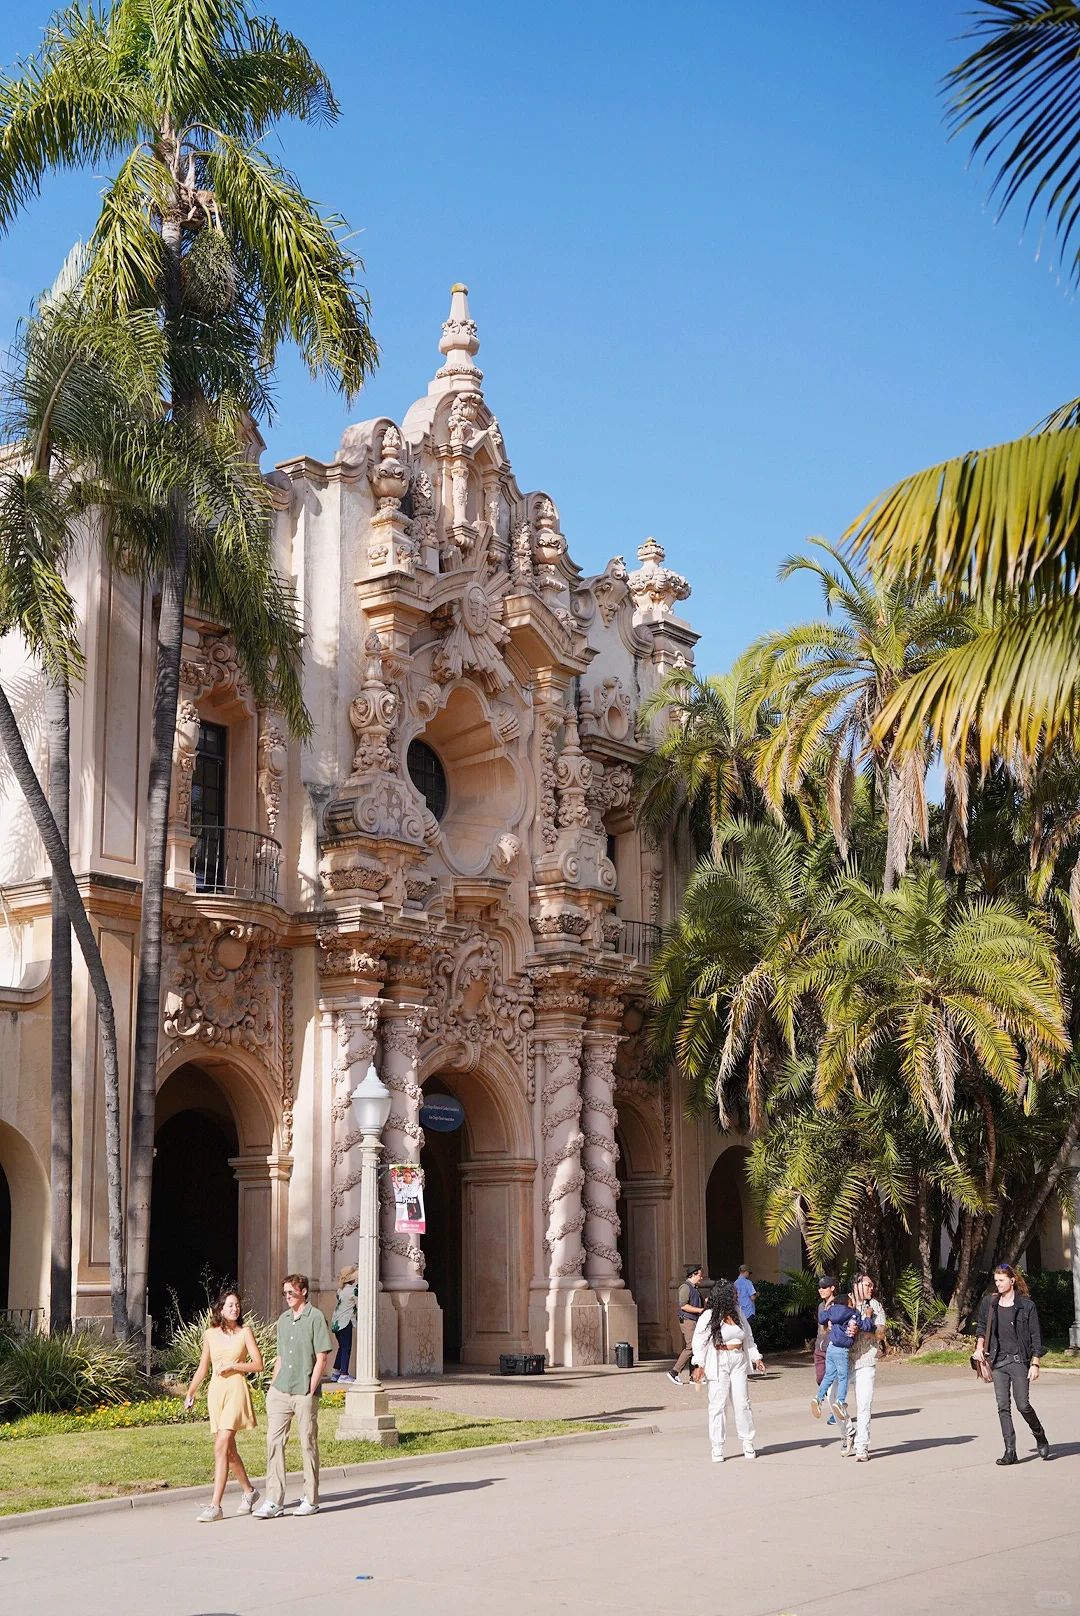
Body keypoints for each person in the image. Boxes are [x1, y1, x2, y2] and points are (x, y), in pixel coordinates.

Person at [253, 1273, 335, 1518]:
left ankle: (311, 1499)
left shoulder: (315, 1317)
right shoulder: (284, 1320)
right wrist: (272, 1386)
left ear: (303, 1291)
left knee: (307, 1443)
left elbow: (322, 1358)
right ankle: (273, 1500)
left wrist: (310, 1388)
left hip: (303, 1390)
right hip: (281, 1389)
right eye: (285, 1293)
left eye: (291, 1292)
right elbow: (280, 1357)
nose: (287, 1296)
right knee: (273, 1443)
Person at [184, 1289, 264, 1523]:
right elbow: (203, 1367)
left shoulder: (245, 1333)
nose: (235, 1308)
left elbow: (258, 1365)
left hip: (236, 1390)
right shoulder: (210, 1334)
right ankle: (249, 1491)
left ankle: (215, 1506)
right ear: (220, 1309)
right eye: (230, 1305)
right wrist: (190, 1392)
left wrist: (234, 1366)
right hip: (216, 1392)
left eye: (237, 1305)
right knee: (228, 1450)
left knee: (220, 1446)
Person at [973, 1263, 1051, 1465]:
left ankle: (1039, 1434)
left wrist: (1035, 1363)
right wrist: (979, 1347)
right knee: (1003, 1407)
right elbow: (982, 1327)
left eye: (1001, 1280)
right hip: (998, 1361)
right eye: (996, 1280)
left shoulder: (1026, 1305)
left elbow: (1036, 1336)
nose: (998, 1284)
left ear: (1012, 1281)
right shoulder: (989, 1303)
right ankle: (1010, 1451)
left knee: (1022, 1405)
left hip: (1018, 1361)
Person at [691, 1279, 766, 1462]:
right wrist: (699, 1364)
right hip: (718, 1360)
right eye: (733, 1293)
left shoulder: (738, 1313)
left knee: (742, 1402)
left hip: (738, 1359)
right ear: (724, 1296)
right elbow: (699, 1342)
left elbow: (748, 1337)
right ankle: (717, 1446)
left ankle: (747, 1441)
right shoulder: (709, 1316)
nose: (737, 1295)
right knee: (718, 1404)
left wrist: (756, 1358)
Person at [839, 1271, 887, 1462]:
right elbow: (827, 1327)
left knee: (864, 1404)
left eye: (872, 1285)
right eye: (868, 1285)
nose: (871, 1288)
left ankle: (862, 1446)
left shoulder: (874, 1306)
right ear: (856, 1285)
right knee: (832, 1399)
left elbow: (881, 1333)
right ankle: (848, 1432)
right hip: (843, 1360)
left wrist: (861, 1329)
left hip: (866, 1360)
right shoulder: (842, 1302)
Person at [812, 1278, 870, 1420]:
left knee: (828, 1376)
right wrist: (868, 1316)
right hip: (841, 1350)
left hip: (830, 1348)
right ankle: (840, 1402)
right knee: (843, 1377)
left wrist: (827, 1310)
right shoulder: (853, 1314)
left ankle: (818, 1398)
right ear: (848, 1304)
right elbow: (866, 1326)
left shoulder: (831, 1311)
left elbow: (822, 1319)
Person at [668, 1264, 707, 1385]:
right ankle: (674, 1372)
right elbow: (683, 1305)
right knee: (691, 1347)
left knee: (695, 1347)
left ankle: (693, 1376)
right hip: (687, 1320)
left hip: (693, 1320)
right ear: (693, 1275)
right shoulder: (685, 1287)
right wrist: (700, 1310)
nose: (701, 1278)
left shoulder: (694, 1288)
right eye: (699, 1275)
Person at [330, 1265, 357, 1383]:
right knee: (346, 1348)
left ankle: (337, 1371)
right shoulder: (353, 1291)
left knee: (342, 1347)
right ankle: (344, 1374)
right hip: (346, 1322)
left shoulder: (340, 1290)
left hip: (336, 1322)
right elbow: (360, 1303)